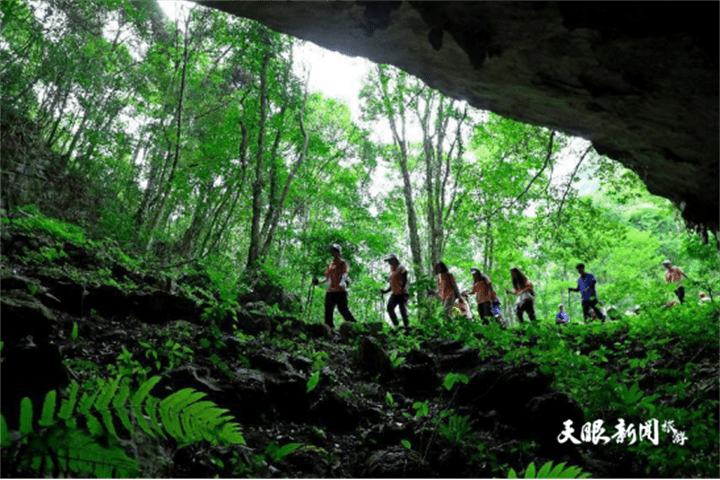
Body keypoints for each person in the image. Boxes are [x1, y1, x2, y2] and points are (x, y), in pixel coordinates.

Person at [312, 244, 357, 329]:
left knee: (343, 310)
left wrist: (343, 282)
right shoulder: (330, 264)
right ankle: (329, 329)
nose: (333, 252)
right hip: (330, 291)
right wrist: (318, 282)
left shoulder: (342, 263)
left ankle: (355, 326)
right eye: (332, 251)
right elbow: (327, 278)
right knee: (328, 311)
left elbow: (345, 274)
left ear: (339, 252)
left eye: (335, 251)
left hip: (340, 291)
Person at [380, 254, 410, 330]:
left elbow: (405, 277)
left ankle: (407, 327)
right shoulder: (391, 271)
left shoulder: (400, 267)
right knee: (389, 308)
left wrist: (402, 288)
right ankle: (396, 326)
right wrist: (386, 291)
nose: (389, 262)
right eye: (388, 261)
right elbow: (392, 284)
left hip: (403, 293)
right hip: (395, 293)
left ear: (395, 260)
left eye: (390, 260)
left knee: (402, 310)